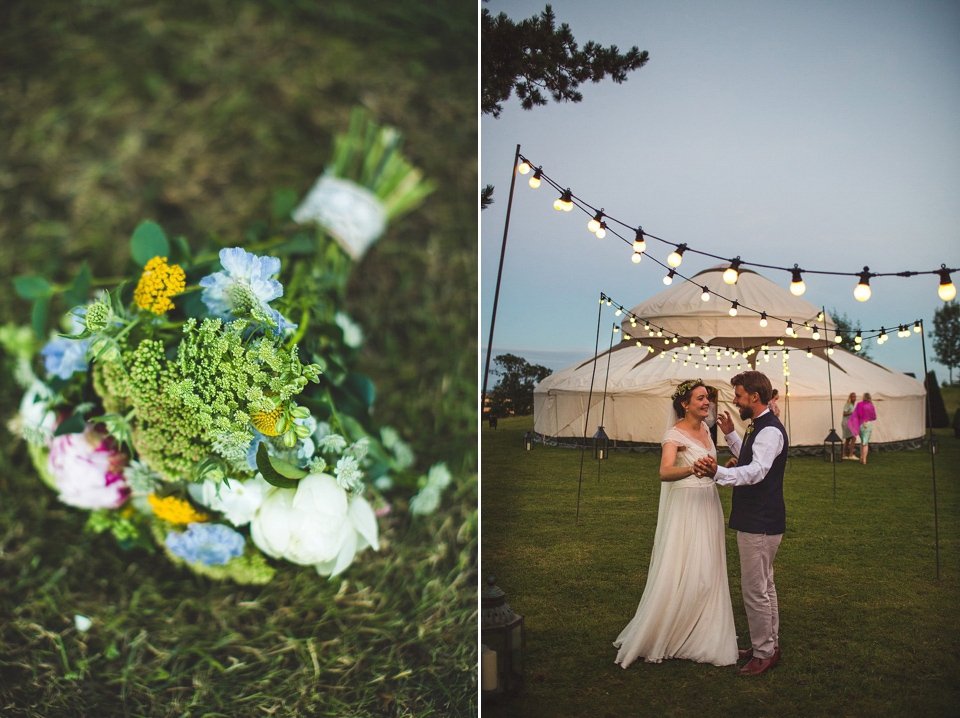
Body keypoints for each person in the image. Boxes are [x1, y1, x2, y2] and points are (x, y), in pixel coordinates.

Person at [613, 379, 738, 668]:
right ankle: (673, 627)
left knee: (709, 569)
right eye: (700, 399)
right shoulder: (674, 434)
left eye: (707, 398)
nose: (707, 402)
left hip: (709, 504)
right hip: (686, 508)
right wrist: (690, 470)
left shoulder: (707, 429)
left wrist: (721, 469)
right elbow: (664, 472)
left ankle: (703, 630)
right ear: (685, 404)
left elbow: (709, 468)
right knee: (682, 567)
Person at [693, 370, 787, 677]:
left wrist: (717, 473)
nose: (735, 400)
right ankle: (769, 645)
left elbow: (757, 471)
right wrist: (732, 435)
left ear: (755, 397)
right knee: (765, 585)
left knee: (755, 589)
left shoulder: (769, 430)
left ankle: (763, 652)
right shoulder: (758, 426)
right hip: (759, 517)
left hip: (760, 520)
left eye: (739, 396)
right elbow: (750, 458)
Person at [848, 393, 877, 465]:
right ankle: (864, 459)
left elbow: (856, 414)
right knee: (865, 442)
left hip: (861, 424)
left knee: (862, 441)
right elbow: (874, 417)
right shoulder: (871, 406)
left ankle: (861, 457)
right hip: (868, 424)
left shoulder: (859, 404)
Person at [841, 393, 857, 459]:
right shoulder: (848, 404)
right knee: (853, 437)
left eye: (855, 397)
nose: (854, 398)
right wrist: (852, 413)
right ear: (850, 397)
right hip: (847, 423)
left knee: (847, 439)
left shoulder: (852, 405)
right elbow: (844, 413)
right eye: (853, 397)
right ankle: (851, 454)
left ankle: (844, 455)